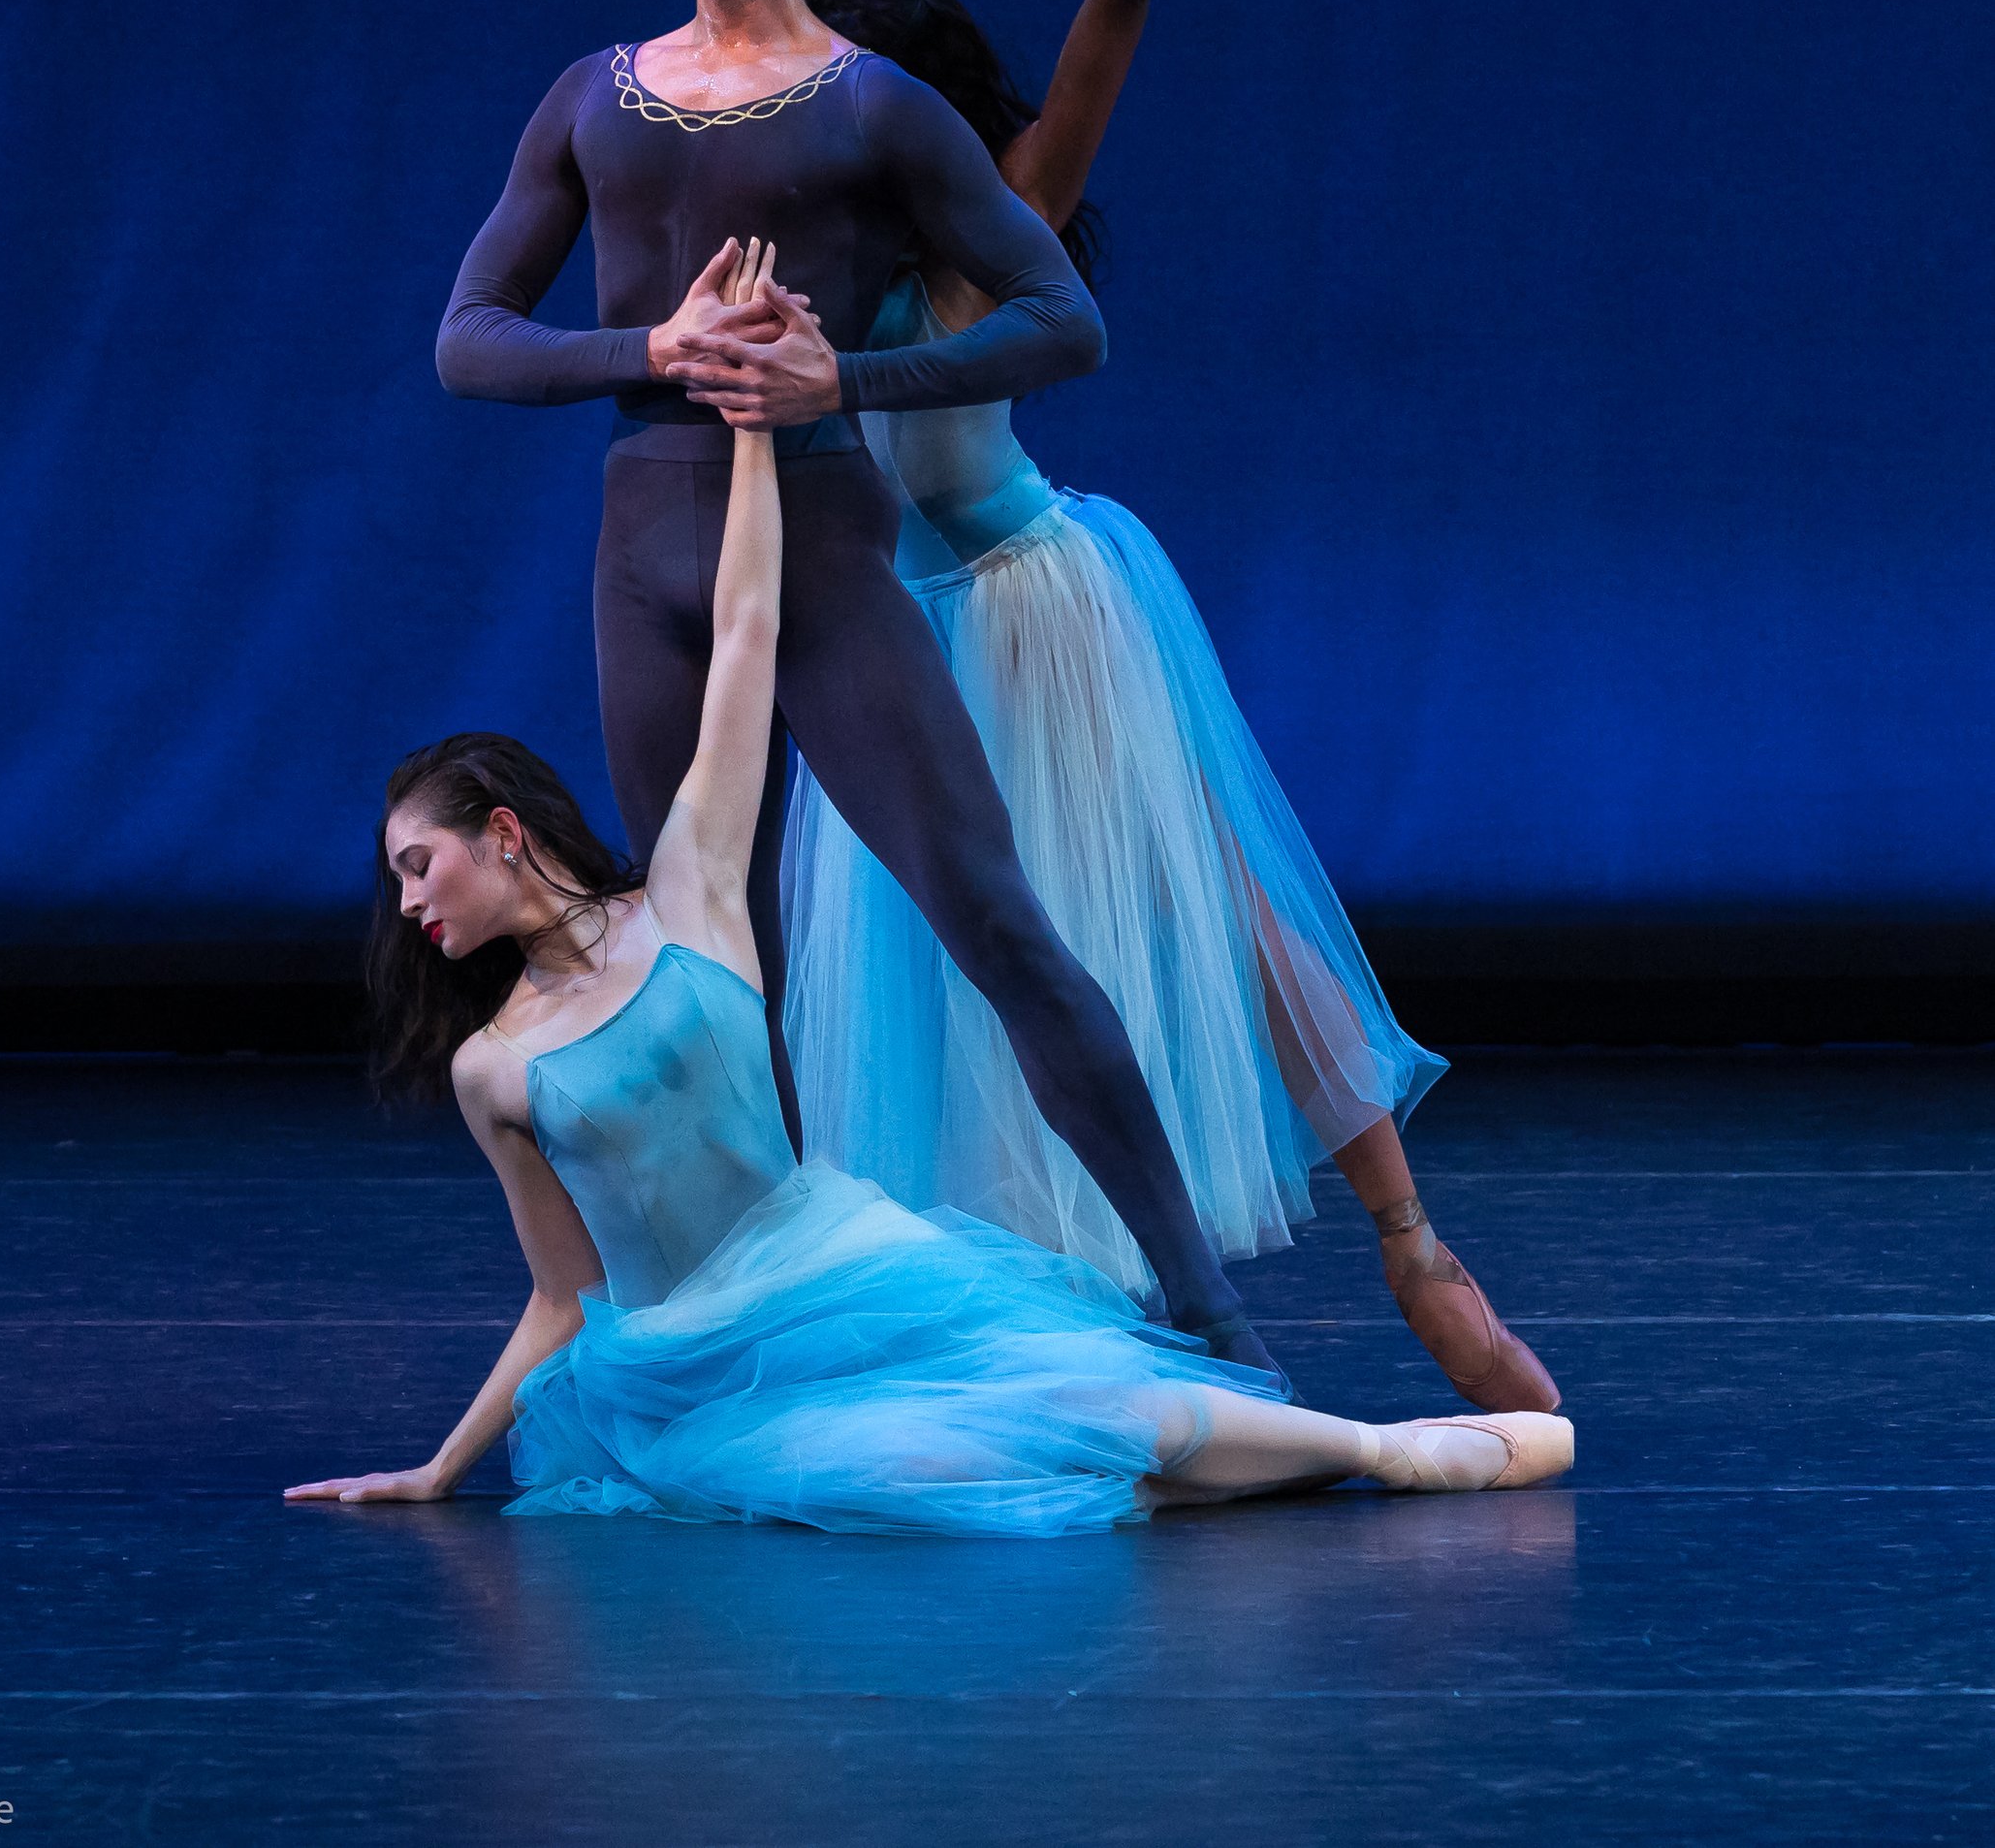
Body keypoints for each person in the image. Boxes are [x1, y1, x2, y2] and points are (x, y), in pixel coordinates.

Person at [586, 0, 1557, 1416]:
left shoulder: (976, 203)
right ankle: (1006, 1302)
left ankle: (1414, 1236)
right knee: (956, 972)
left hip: (1033, 600)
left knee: (1222, 911)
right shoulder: (783, 222)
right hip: (886, 623)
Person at [286, 274, 1573, 1531]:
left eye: (417, 862)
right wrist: (438, 1469)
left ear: (500, 832)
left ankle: (1394, 1453)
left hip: (841, 1274)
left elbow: (747, 633)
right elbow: (563, 1300)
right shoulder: (492, 1063)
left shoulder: (682, 892)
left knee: (1078, 1396)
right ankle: (1359, 1455)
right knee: (922, 1462)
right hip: (689, 1372)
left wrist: (753, 429)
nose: (409, 905)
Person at [433, 0, 1275, 1364]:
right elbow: (471, 341)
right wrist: (654, 345)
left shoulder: (876, 108)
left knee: (996, 917)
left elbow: (1063, 322)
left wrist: (842, 391)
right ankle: (779, 1306)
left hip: (822, 555)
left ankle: (1203, 1298)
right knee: (698, 967)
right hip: (650, 554)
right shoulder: (593, 95)